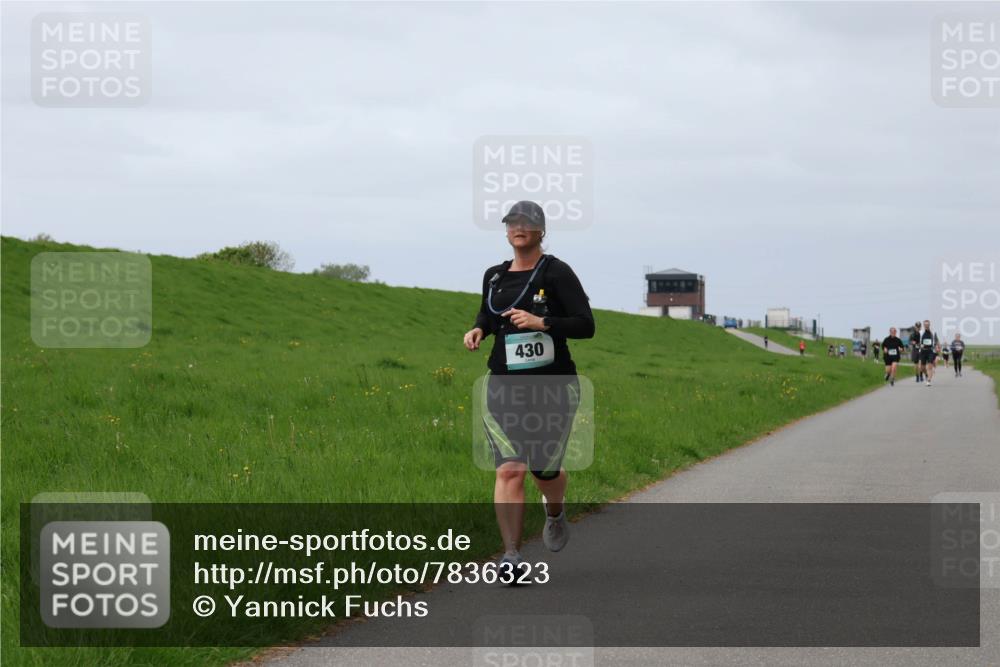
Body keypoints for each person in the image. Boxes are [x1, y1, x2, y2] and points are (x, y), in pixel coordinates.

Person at [463, 200, 595, 581]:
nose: (519, 227)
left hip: (552, 385)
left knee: (544, 470)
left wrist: (543, 322)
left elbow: (586, 325)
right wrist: (479, 330)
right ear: (506, 231)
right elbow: (489, 313)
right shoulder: (494, 275)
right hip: (503, 384)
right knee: (510, 469)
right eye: (512, 222)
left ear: (541, 230)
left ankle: (554, 513)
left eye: (527, 222)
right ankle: (511, 556)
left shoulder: (556, 272)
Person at [918, 319, 938, 387]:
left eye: (928, 325)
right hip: (923, 351)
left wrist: (937, 347)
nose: (926, 326)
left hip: (930, 351)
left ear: (929, 325)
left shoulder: (933, 331)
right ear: (923, 325)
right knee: (921, 368)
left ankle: (928, 380)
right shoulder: (920, 332)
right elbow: (917, 341)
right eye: (925, 325)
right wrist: (920, 345)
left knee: (929, 366)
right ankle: (927, 375)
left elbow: (936, 340)